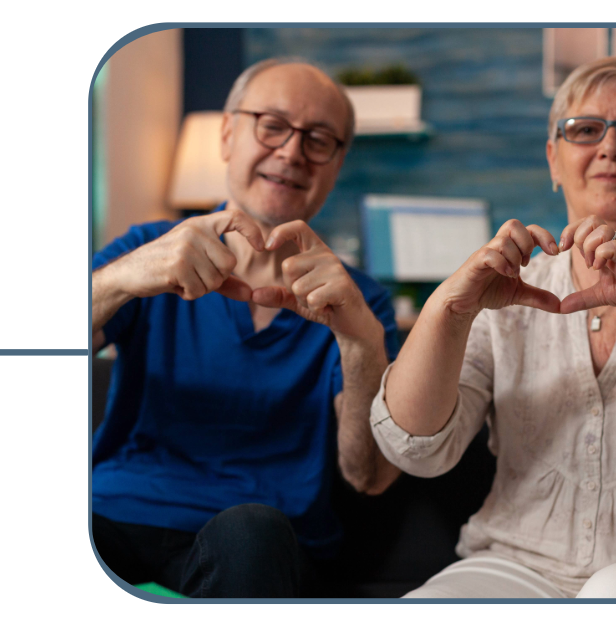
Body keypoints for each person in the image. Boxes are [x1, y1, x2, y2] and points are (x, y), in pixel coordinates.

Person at [373, 56, 616, 598]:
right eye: (585, 130)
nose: (611, 146)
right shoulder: (505, 292)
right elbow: (415, 450)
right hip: (519, 564)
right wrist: (450, 306)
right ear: (553, 159)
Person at [90, 58, 401, 598]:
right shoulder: (152, 246)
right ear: (229, 134)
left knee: (250, 532)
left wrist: (360, 341)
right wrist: (120, 279)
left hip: (257, 540)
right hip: (114, 512)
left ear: (336, 163)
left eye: (319, 139)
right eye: (272, 125)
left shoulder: (359, 300)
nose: (291, 152)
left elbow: (367, 475)